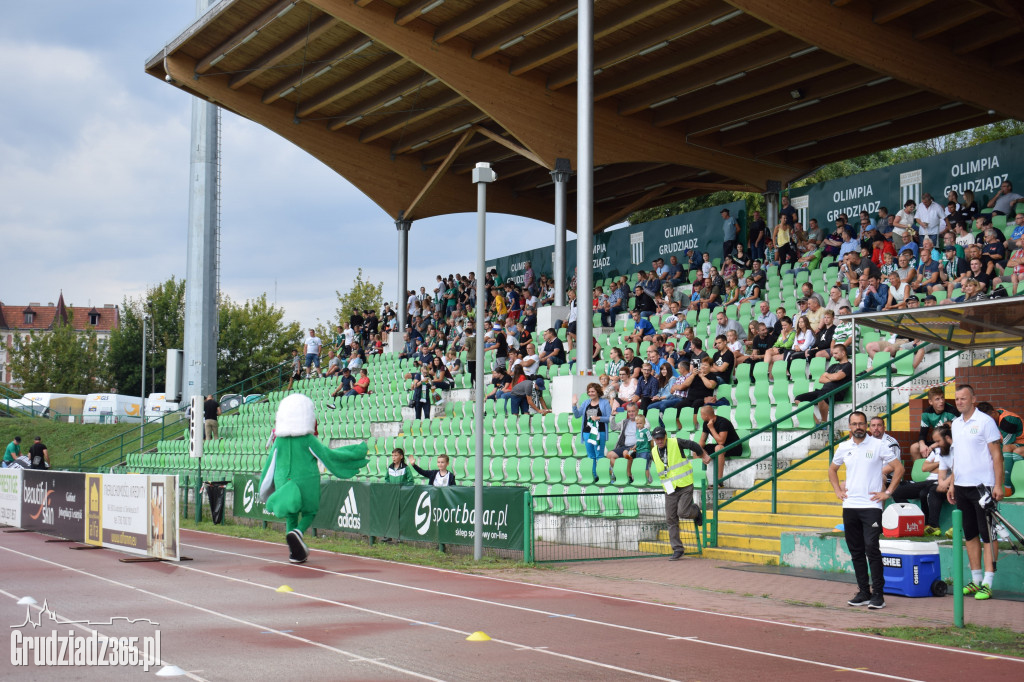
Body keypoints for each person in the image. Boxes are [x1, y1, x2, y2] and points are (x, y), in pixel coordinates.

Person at [828, 411, 903, 609]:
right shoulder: (844, 447)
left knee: (871, 547)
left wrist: (887, 492)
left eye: (861, 424)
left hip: (871, 506)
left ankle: (878, 594)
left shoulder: (878, 445)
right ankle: (863, 592)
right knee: (856, 550)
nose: (858, 427)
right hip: (850, 506)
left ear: (866, 426)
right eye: (854, 424)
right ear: (849, 427)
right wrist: (837, 490)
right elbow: (832, 469)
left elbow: (899, 468)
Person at [946, 384, 1004, 600]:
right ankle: (976, 579)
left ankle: (988, 582)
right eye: (957, 399)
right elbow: (957, 457)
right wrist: (952, 483)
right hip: (962, 487)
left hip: (983, 487)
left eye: (963, 398)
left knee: (988, 534)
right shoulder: (956, 424)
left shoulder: (986, 422)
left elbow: (997, 455)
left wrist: (998, 485)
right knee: (969, 534)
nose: (959, 402)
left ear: (973, 399)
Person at [649, 426, 707, 561]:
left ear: (665, 436)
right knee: (670, 518)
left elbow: (693, 445)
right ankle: (677, 549)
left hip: (685, 484)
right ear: (654, 439)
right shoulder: (653, 451)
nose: (659, 441)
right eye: (657, 439)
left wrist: (702, 455)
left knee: (683, 512)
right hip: (670, 489)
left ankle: (695, 511)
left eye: (661, 438)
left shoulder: (676, 442)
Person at [893, 424, 952, 537]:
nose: (935, 444)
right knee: (897, 492)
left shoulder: (954, 450)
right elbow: (924, 468)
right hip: (929, 481)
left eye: (938, 441)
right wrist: (939, 464)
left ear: (947, 438)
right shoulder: (937, 451)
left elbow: (947, 471)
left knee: (926, 492)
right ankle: (915, 518)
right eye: (935, 442)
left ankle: (932, 525)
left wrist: (934, 467)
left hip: (941, 483)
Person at [794, 343, 851, 424]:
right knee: (798, 399)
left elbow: (836, 377)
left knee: (822, 397)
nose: (833, 356)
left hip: (836, 392)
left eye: (836, 353)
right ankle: (817, 422)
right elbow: (821, 379)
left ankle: (824, 422)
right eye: (833, 354)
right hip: (823, 391)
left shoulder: (848, 366)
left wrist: (828, 375)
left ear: (843, 353)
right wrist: (834, 378)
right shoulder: (833, 366)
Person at [573, 382, 612, 484]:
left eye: (593, 391)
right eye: (589, 392)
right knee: (591, 456)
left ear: (598, 392)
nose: (591, 393)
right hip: (587, 432)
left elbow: (609, 418)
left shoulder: (605, 403)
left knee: (599, 455)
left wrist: (599, 418)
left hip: (599, 432)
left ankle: (605, 475)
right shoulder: (586, 402)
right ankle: (595, 476)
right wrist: (574, 405)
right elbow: (577, 415)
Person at [910, 387, 959, 460]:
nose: (941, 401)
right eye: (937, 399)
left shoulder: (952, 411)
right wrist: (922, 445)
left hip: (950, 443)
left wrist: (934, 445)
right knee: (914, 447)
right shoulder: (926, 413)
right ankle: (923, 467)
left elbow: (954, 436)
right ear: (930, 402)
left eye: (942, 398)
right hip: (937, 442)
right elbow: (922, 434)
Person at [698, 405, 741, 482]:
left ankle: (719, 480)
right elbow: (702, 440)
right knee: (696, 449)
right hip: (722, 446)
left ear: (706, 415)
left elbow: (721, 441)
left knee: (719, 448)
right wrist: (701, 451)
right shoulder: (706, 423)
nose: (701, 417)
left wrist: (711, 428)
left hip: (734, 446)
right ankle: (700, 479)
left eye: (701, 414)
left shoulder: (723, 422)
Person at [607, 403, 641, 484]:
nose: (631, 413)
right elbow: (613, 427)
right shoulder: (625, 422)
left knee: (626, 453)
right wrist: (612, 416)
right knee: (609, 455)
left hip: (636, 446)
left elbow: (646, 430)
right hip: (625, 446)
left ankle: (629, 475)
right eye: (629, 411)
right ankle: (621, 472)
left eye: (633, 411)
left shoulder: (642, 420)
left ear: (637, 411)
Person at [631, 414, 655, 485]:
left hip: (645, 451)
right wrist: (634, 447)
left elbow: (651, 441)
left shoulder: (646, 431)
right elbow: (638, 441)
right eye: (637, 423)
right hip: (638, 451)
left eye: (640, 423)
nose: (638, 425)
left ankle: (647, 480)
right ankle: (641, 479)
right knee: (640, 466)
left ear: (644, 423)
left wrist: (652, 449)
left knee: (645, 466)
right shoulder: (637, 431)